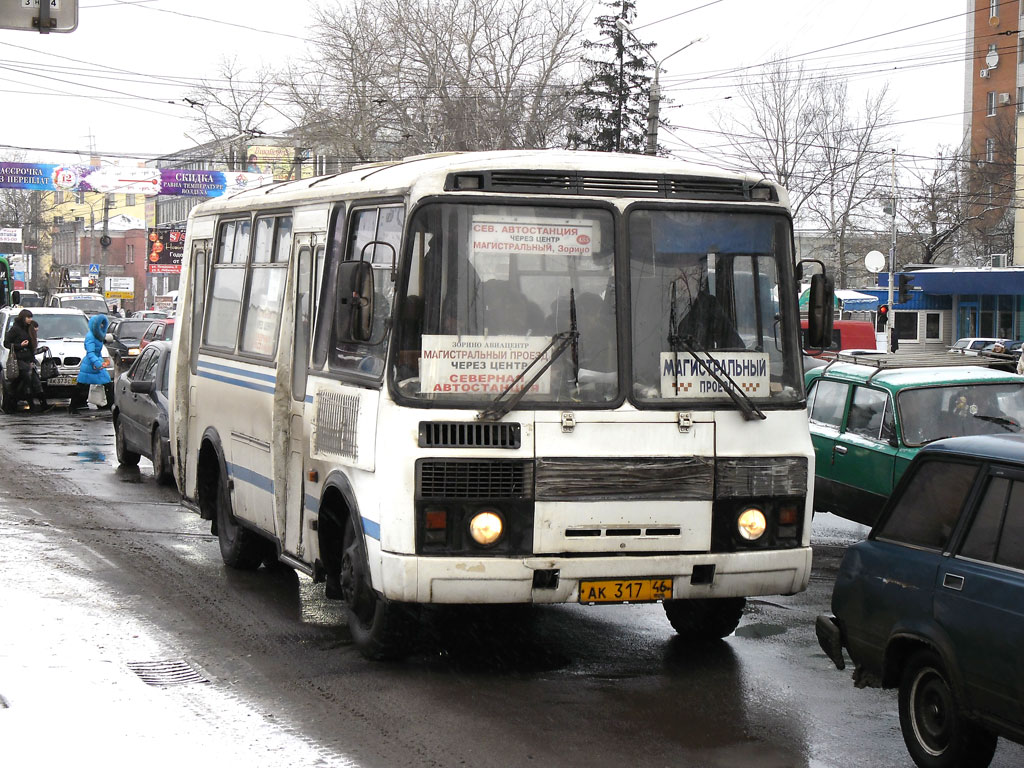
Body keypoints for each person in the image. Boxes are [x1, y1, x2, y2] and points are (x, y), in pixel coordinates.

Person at [3, 309, 52, 412]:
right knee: (27, 381)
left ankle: (43, 405)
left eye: (31, 317)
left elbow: (31, 346)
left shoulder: (28, 329)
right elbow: (6, 343)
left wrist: (33, 358)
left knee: (34, 381)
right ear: (23, 318)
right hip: (19, 359)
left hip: (28, 359)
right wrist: (19, 345)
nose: (30, 319)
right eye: (28, 317)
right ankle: (31, 405)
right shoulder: (15, 329)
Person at [77, 313, 112, 407]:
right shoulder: (91, 337)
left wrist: (101, 361)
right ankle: (74, 406)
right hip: (91, 363)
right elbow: (90, 353)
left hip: (95, 363)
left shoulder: (97, 336)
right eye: (99, 324)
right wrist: (98, 362)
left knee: (107, 382)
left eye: (102, 324)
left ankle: (109, 405)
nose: (101, 326)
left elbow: (97, 351)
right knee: (82, 385)